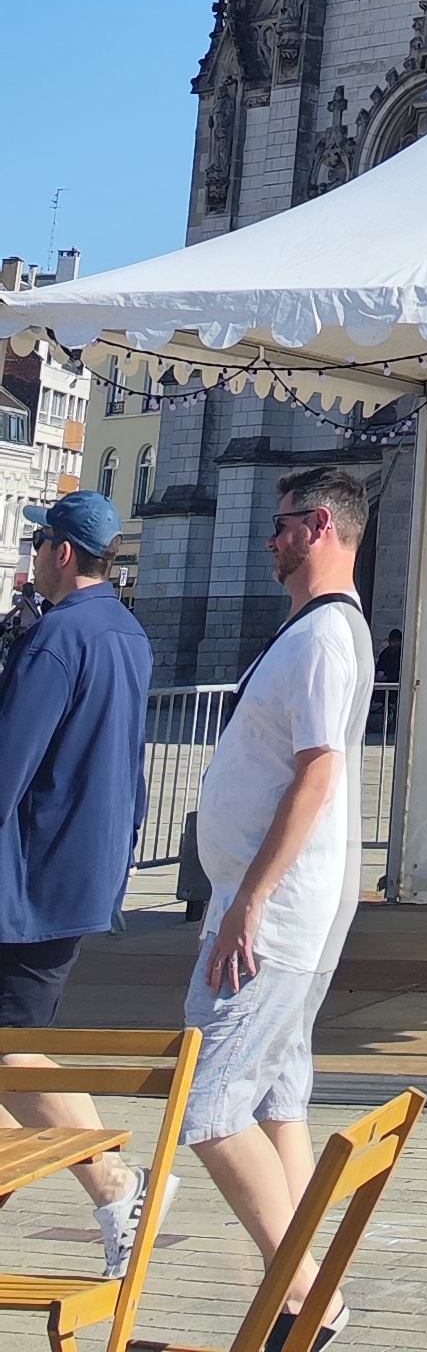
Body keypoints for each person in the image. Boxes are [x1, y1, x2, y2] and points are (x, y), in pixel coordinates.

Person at [182, 463, 374, 1349]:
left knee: (209, 1103)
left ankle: (307, 1300)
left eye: (284, 522)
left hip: (277, 911)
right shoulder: (314, 630)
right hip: (274, 904)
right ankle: (304, 1296)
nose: (272, 539)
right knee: (275, 1096)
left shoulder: (327, 635)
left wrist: (250, 900)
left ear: (322, 527)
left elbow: (317, 774)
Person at [0, 488, 157, 1281]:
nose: (32, 556)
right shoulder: (127, 632)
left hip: (29, 881)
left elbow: (8, 767)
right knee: (14, 1047)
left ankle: (116, 1185)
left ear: (62, 552)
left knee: (11, 1051)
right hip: (80, 871)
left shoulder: (57, 638)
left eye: (38, 544)